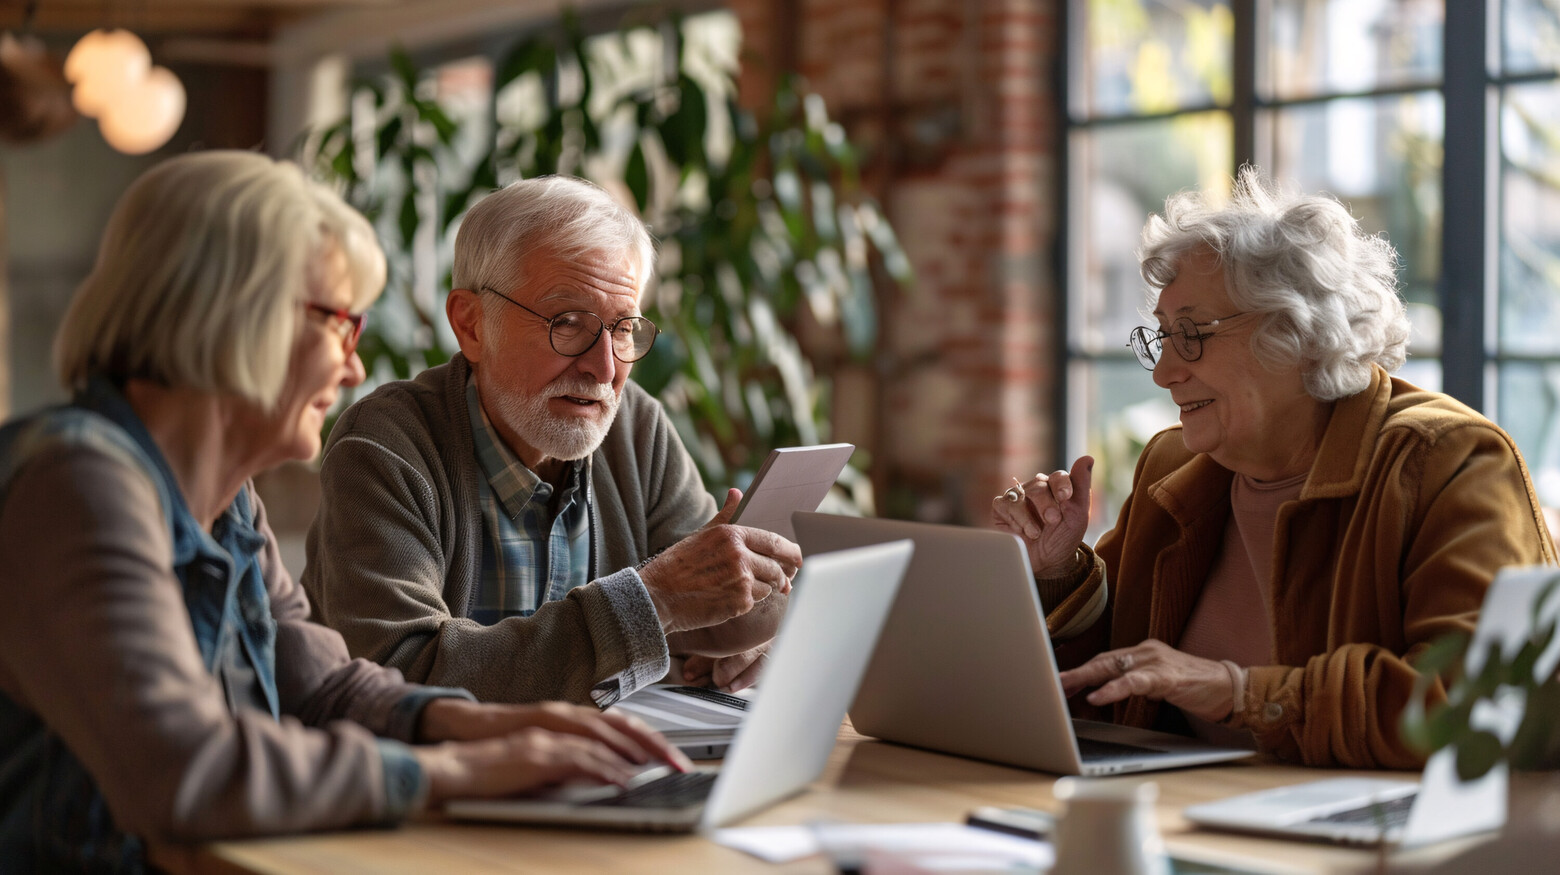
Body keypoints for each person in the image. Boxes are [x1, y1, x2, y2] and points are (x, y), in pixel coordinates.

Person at [0, 152, 689, 871]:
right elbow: (187, 769)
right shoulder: (75, 487)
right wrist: (454, 770)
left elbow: (324, 686)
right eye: (338, 325)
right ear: (234, 312)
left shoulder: (226, 501)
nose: (354, 367)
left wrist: (490, 727)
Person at [992, 169, 1557, 769]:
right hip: (1188, 804)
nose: (1163, 373)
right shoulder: (1172, 466)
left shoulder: (1447, 461)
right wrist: (1058, 573)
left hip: (1368, 821)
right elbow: (1118, 690)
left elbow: (1479, 708)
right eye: (1162, 337)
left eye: (1192, 334)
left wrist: (1241, 693)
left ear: (1298, 333)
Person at [303, 176, 800, 706]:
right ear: (471, 325)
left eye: (623, 329)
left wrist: (756, 627)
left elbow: (706, 609)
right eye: (568, 323)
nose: (604, 369)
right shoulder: (385, 447)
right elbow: (400, 678)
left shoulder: (636, 429)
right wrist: (651, 602)